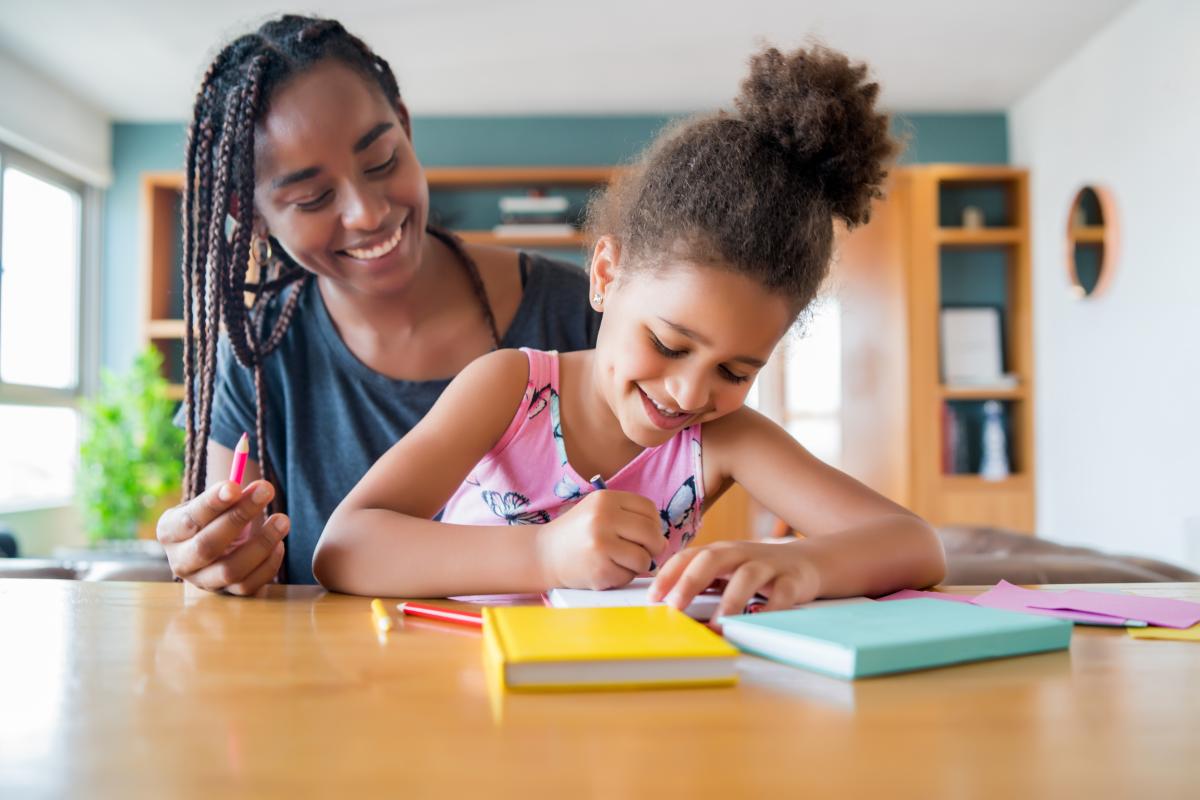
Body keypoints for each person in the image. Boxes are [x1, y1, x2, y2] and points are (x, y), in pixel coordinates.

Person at [314, 45, 946, 618]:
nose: (689, 394)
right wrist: (543, 554)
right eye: (670, 345)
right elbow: (346, 548)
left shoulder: (718, 437)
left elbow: (916, 546)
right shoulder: (510, 387)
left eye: (737, 371)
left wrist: (807, 565)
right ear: (607, 275)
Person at [154, 15, 599, 594]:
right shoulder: (256, 358)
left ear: (406, 129)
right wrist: (215, 566)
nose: (366, 212)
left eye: (382, 161)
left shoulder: (578, 312)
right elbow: (222, 581)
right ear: (253, 214)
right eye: (313, 197)